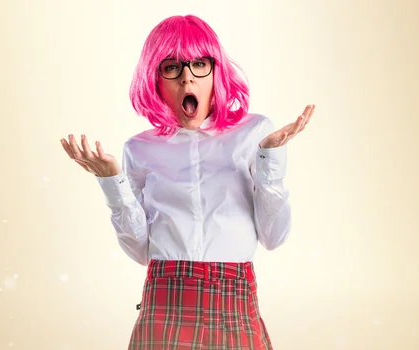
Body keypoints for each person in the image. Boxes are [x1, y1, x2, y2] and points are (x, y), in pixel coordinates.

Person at [60, 14, 314, 350]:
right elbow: (139, 252)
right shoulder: (139, 148)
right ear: (156, 79)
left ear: (216, 70)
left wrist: (269, 160)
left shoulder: (255, 132)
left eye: (199, 64)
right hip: (165, 298)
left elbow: (274, 237)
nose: (187, 79)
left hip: (233, 297)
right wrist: (112, 181)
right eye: (172, 67)